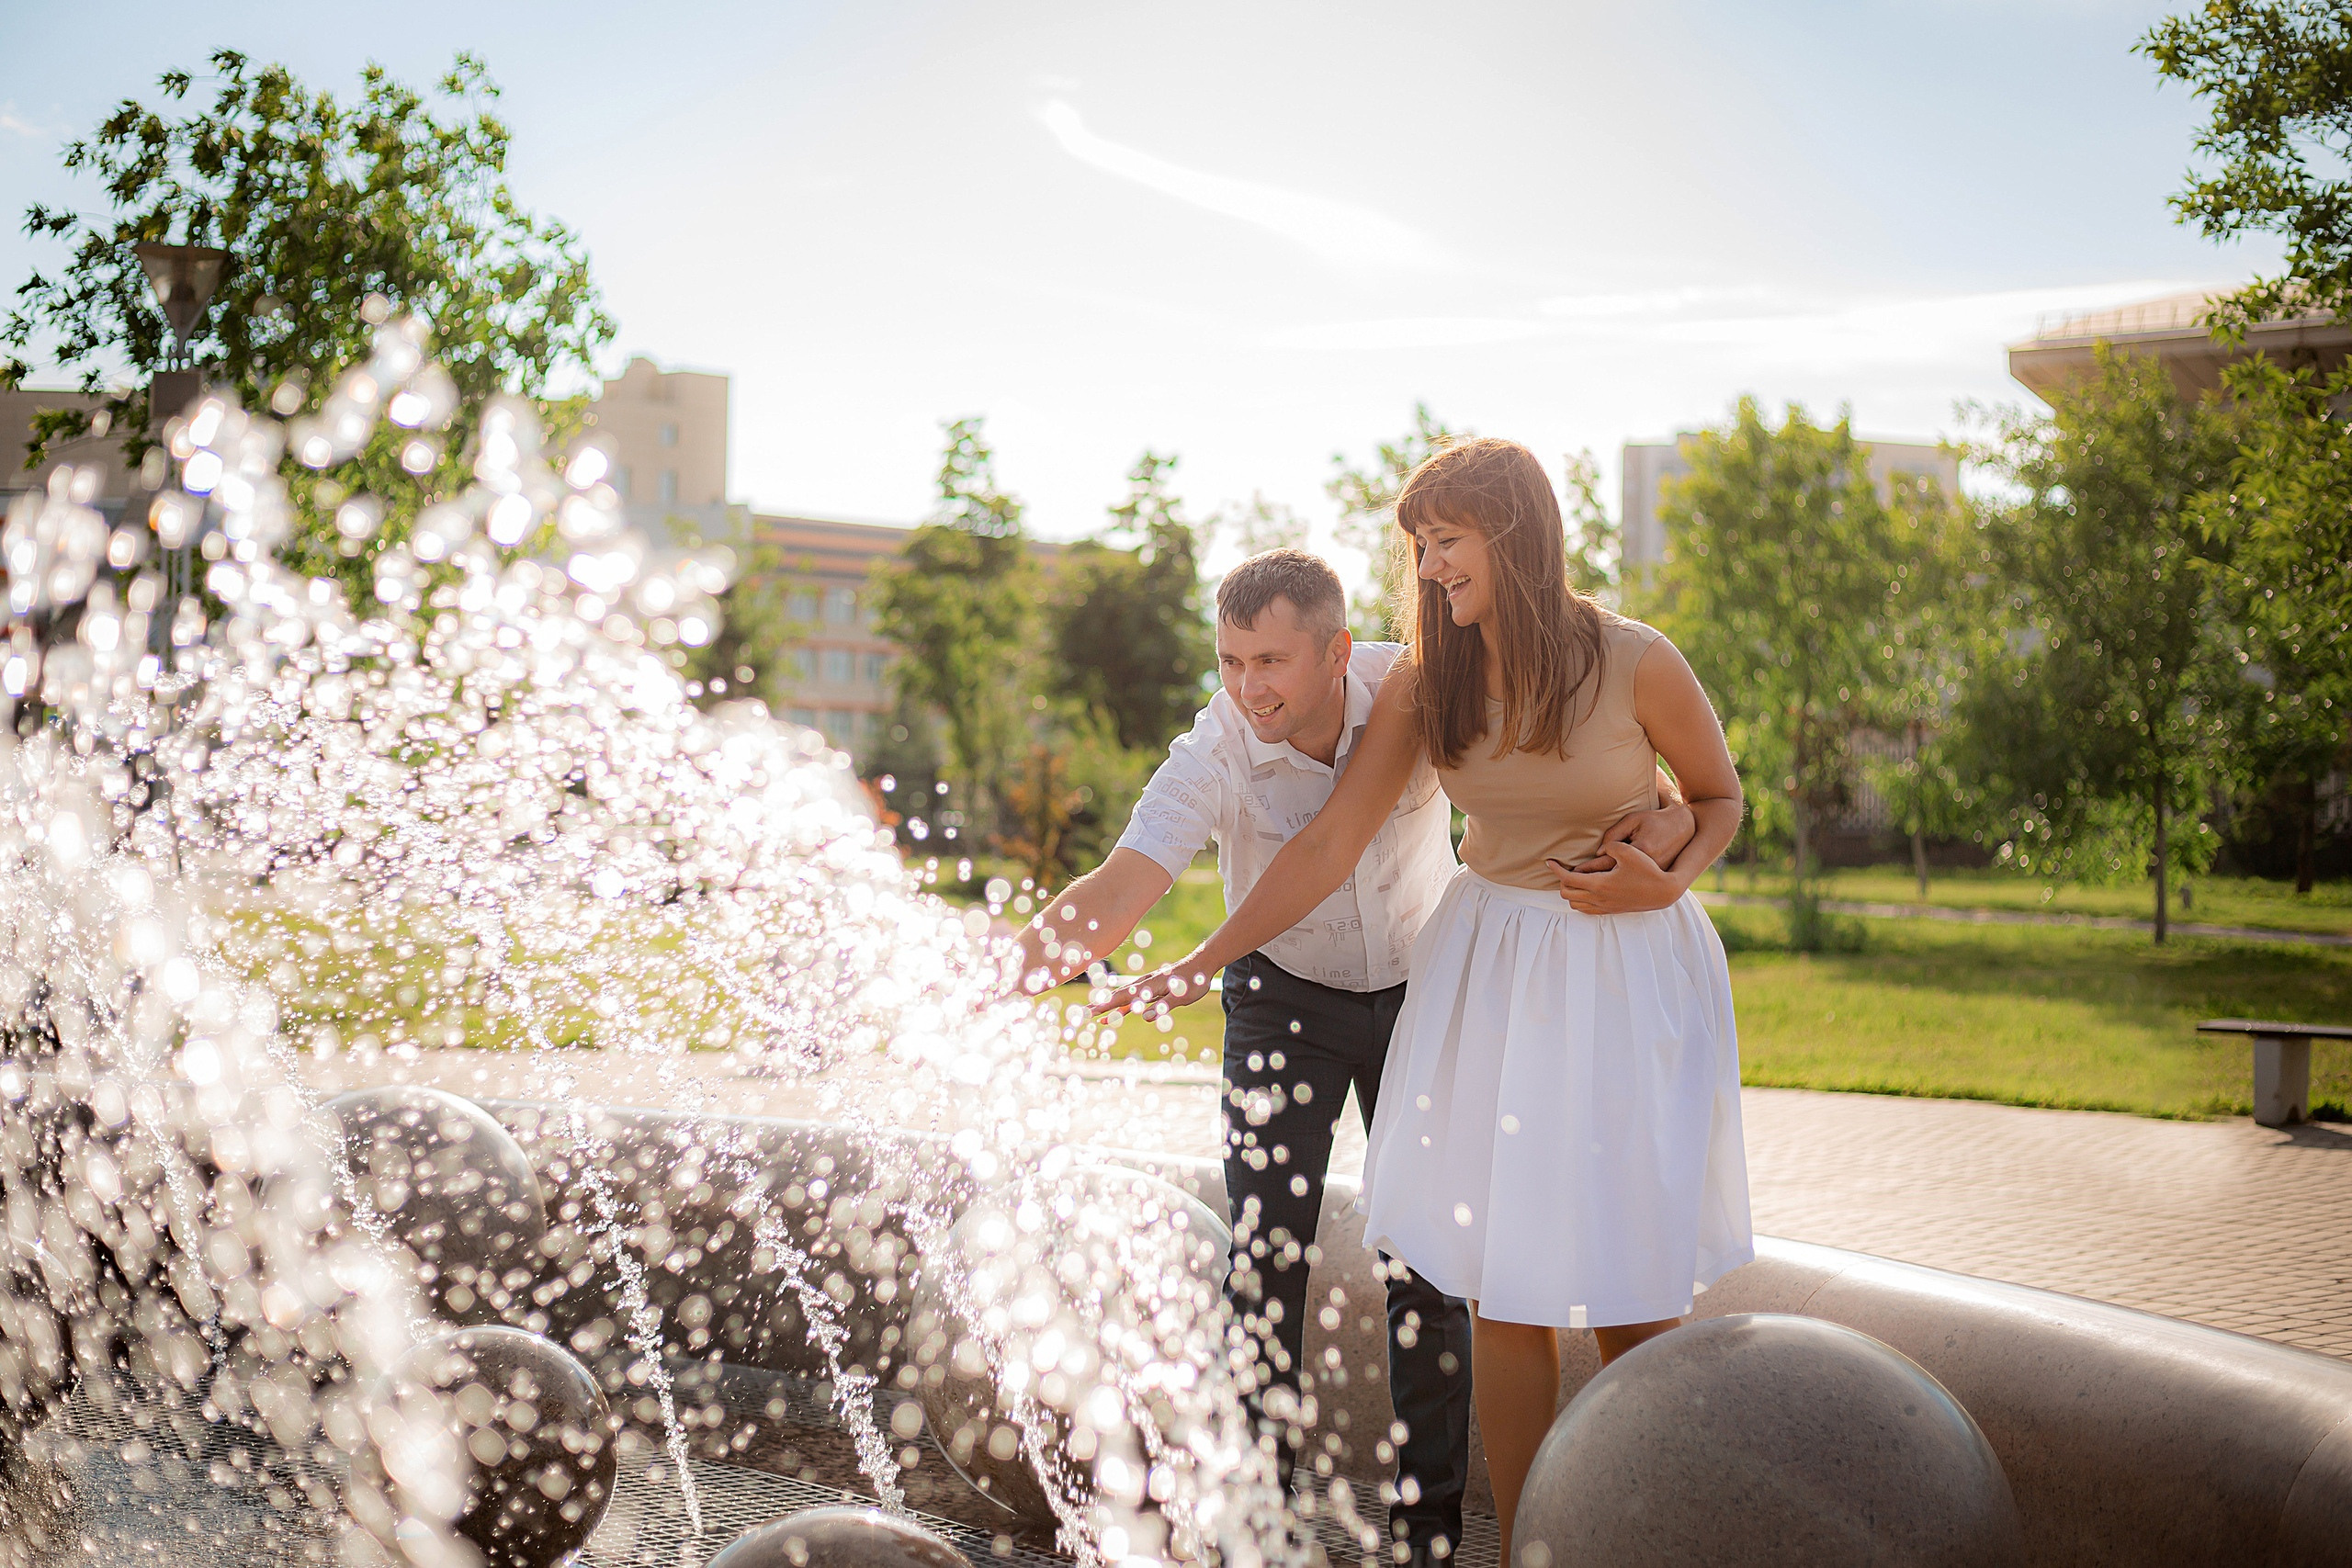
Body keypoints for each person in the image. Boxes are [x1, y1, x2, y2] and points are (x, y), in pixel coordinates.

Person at [1099, 443, 1751, 1550]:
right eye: (1421, 546)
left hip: (1629, 970)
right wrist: (1203, 960)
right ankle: (1517, 1542)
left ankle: (1642, 1534)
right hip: (1490, 967)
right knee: (1498, 1276)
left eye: (1448, 540)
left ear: (1516, 536)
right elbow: (1326, 846)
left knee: (1636, 1272)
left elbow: (1719, 796)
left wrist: (1670, 865)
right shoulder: (1426, 680)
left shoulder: (1638, 660)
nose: (1432, 565)